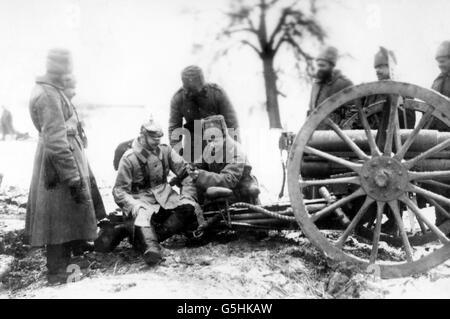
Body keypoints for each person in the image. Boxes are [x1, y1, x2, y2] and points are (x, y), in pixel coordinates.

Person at [26, 48, 106, 284]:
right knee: (57, 216)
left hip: (59, 160)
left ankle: (67, 262)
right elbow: (56, 141)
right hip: (58, 165)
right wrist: (72, 177)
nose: (69, 73)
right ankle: (57, 271)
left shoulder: (50, 90)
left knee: (65, 214)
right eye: (66, 67)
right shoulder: (48, 94)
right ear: (59, 68)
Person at [111, 118, 199, 265]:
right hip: (141, 199)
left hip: (165, 197)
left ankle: (142, 239)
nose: (157, 142)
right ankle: (151, 249)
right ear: (142, 136)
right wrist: (134, 205)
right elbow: (119, 191)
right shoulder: (129, 158)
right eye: (153, 138)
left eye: (159, 138)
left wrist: (187, 195)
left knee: (188, 207)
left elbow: (185, 173)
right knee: (142, 213)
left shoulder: (165, 150)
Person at [168, 65, 240, 162]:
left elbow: (232, 124)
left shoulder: (217, 93)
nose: (193, 93)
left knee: (222, 175)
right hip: (193, 146)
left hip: (217, 143)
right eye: (190, 90)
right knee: (194, 174)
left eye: (196, 89)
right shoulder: (178, 98)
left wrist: (235, 152)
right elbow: (174, 129)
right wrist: (179, 155)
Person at [188, 115, 260, 205]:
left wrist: (200, 175)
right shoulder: (210, 149)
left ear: (224, 137)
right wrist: (187, 170)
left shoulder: (236, 151)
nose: (212, 144)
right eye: (209, 141)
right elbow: (197, 164)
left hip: (241, 195)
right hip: (223, 192)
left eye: (215, 140)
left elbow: (228, 180)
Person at [307, 46, 353, 128]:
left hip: (335, 136)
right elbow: (310, 112)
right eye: (318, 65)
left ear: (331, 66)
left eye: (322, 66)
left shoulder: (343, 85)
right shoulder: (315, 86)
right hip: (315, 135)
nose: (318, 69)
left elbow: (352, 114)